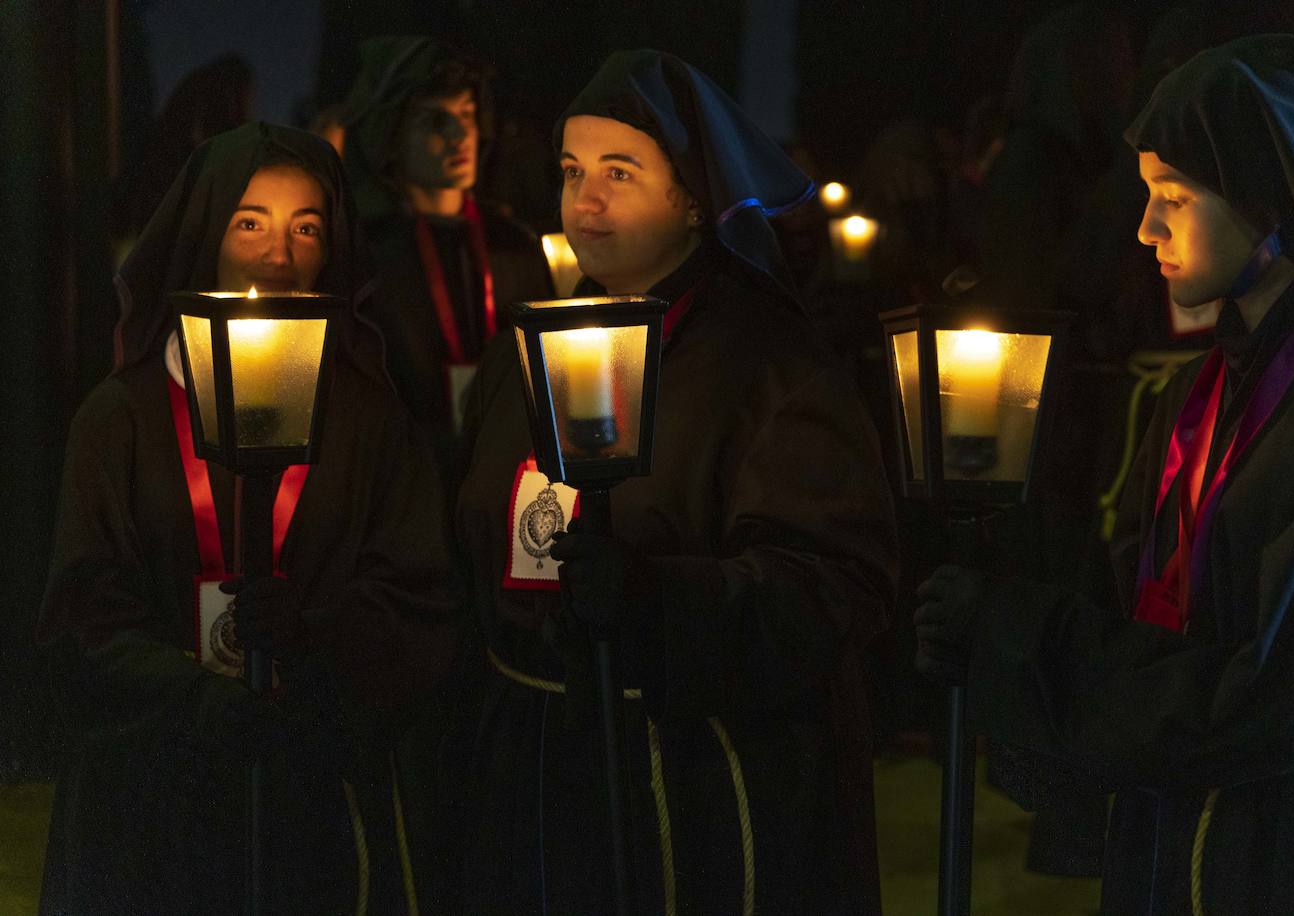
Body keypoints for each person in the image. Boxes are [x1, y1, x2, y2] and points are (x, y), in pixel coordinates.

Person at [914, 35, 1294, 915]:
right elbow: (1144, 603)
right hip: (1172, 831)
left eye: (1173, 196)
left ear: (1266, 195)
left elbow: (1285, 694)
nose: (1144, 228)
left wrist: (1036, 640)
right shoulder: (1196, 394)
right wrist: (993, 612)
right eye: (1143, 195)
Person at [453, 50, 899, 914]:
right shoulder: (523, 353)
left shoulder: (770, 362)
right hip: (528, 773)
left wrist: (659, 600)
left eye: (619, 173)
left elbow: (836, 583)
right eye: (572, 171)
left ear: (693, 196)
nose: (584, 201)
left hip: (684, 781)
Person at [36, 122, 457, 915]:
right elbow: (79, 612)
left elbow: (419, 595)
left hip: (319, 794)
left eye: (307, 227)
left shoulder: (369, 418)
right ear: (202, 235)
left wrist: (317, 635)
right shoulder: (119, 418)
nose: (280, 255)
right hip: (151, 800)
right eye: (251, 222)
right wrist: (196, 701)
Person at [341, 36, 552, 489]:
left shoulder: (514, 245)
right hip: (406, 486)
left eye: (467, 116)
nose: (460, 137)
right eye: (434, 121)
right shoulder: (368, 257)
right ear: (391, 136)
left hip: (512, 479)